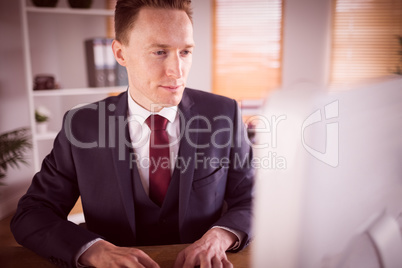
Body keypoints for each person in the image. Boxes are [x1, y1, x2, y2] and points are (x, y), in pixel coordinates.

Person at [11, 0, 254, 267]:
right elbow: (32, 214)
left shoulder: (223, 113)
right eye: (160, 52)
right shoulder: (81, 125)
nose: (177, 70)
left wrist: (220, 236)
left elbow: (253, 199)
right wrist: (92, 250)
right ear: (120, 53)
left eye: (185, 52)